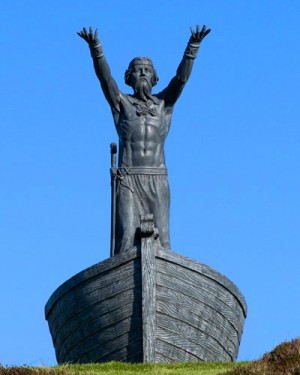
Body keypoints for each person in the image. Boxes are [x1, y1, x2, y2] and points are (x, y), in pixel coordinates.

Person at [77, 25, 210, 254]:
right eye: (138, 70)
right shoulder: (122, 104)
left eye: (147, 70)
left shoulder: (163, 105)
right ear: (129, 77)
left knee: (164, 244)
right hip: (128, 178)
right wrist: (96, 48)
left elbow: (180, 79)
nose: (142, 74)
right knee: (126, 241)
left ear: (154, 77)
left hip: (157, 179)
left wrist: (192, 48)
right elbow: (105, 79)